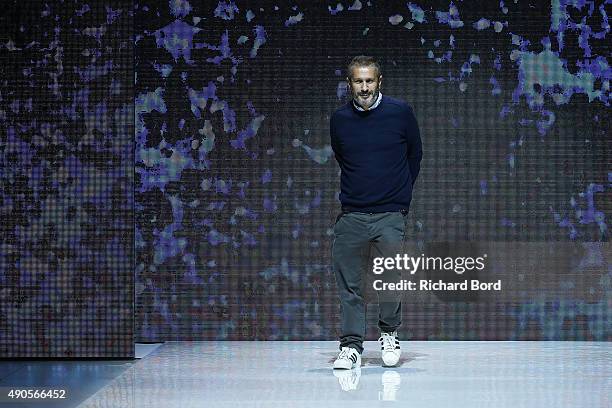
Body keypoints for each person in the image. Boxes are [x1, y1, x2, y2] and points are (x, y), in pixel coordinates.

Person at [330, 55, 423, 369]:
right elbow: (344, 158)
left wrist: (399, 196)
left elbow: (415, 155)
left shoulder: (400, 113)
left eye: (370, 81)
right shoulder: (339, 119)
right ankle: (351, 347)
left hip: (389, 214)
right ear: (350, 84)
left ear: (379, 82)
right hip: (352, 214)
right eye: (359, 81)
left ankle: (389, 333)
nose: (365, 87)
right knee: (349, 284)